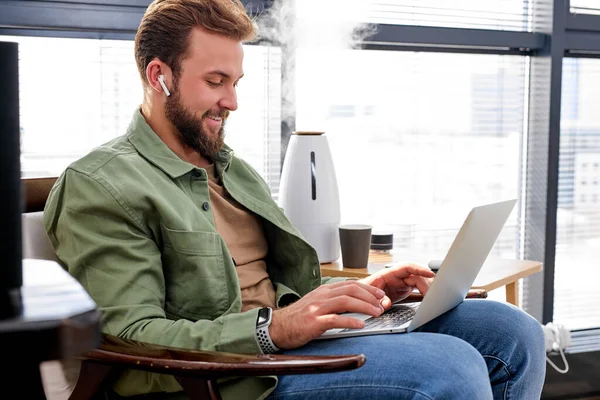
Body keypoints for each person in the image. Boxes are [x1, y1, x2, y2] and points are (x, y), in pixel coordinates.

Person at [43, 0, 547, 399]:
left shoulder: (228, 165)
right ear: (160, 76)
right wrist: (273, 330)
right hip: (230, 377)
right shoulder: (100, 184)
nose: (232, 101)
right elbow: (130, 332)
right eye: (215, 82)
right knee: (449, 369)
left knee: (513, 332)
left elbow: (272, 284)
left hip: (285, 342)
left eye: (236, 83)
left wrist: (370, 291)